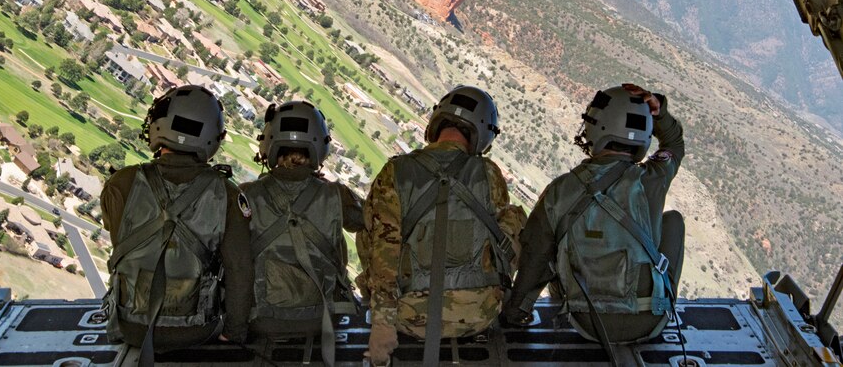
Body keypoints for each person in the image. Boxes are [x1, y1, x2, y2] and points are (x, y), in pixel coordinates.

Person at [502, 83, 685, 354]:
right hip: (649, 321)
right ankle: (662, 299)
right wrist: (660, 115)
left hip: (587, 322)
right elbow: (674, 145)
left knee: (551, 235)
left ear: (595, 127)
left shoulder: (560, 190)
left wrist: (515, 312)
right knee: (672, 221)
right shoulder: (653, 178)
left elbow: (535, 257)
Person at [359, 85, 526, 367]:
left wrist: (383, 326)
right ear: (482, 133)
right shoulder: (489, 173)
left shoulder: (396, 171)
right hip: (480, 315)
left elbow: (383, 251)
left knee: (372, 229)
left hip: (408, 318)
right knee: (514, 217)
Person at [101, 85, 251, 362]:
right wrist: (235, 333)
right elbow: (239, 269)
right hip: (194, 330)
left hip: (130, 326)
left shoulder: (121, 183)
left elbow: (120, 244)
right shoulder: (227, 195)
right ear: (212, 137)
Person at [241, 100, 363, 367]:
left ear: (269, 145)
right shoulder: (335, 195)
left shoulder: (245, 194)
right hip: (320, 318)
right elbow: (366, 222)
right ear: (320, 146)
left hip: (262, 318)